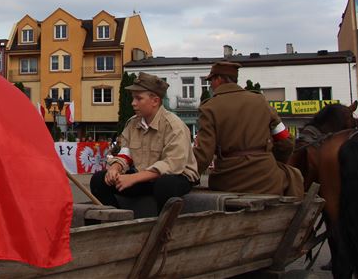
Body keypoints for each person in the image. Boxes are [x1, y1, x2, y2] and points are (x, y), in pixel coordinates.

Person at [90, 73, 199, 214]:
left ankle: (163, 224)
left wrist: (133, 178)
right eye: (133, 98)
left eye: (138, 98)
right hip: (144, 176)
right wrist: (115, 169)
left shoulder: (174, 126)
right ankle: (118, 218)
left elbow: (172, 165)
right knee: (99, 180)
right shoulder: (132, 123)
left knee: (165, 185)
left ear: (155, 101)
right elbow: (126, 153)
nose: (133, 103)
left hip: (177, 176)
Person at [193, 61, 303, 197]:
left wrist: (188, 175)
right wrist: (272, 162)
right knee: (293, 175)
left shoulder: (209, 108)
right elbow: (286, 140)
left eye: (211, 81)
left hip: (228, 182)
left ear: (219, 79)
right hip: (268, 180)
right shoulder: (261, 101)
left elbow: (204, 154)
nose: (210, 85)